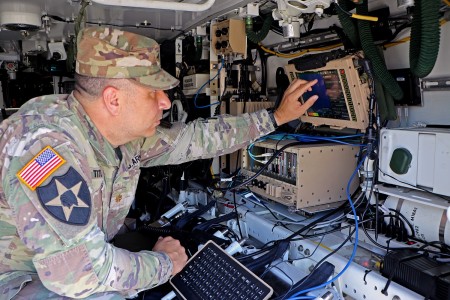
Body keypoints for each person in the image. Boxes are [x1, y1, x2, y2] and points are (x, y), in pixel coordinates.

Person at [0, 27, 318, 299]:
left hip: (63, 264)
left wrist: (275, 118)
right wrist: (164, 263)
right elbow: (78, 273)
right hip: (18, 281)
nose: (166, 102)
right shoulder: (45, 147)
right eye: (154, 92)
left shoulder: (112, 133)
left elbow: (194, 140)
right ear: (113, 99)